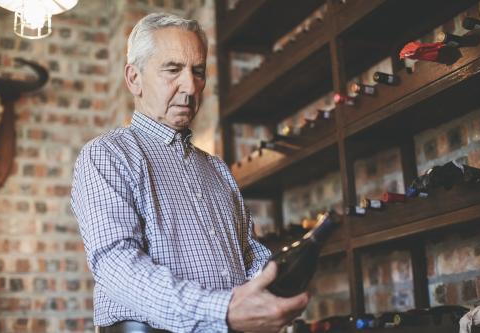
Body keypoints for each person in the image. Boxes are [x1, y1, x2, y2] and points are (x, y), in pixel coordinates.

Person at [71, 12, 309, 333]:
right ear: (134, 79)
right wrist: (222, 310)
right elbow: (116, 265)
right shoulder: (108, 154)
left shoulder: (217, 168)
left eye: (198, 72)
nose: (190, 85)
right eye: (173, 69)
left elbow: (249, 254)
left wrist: (271, 287)